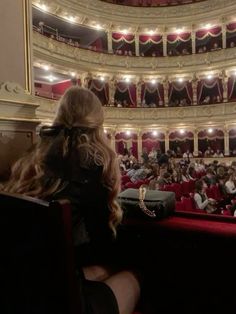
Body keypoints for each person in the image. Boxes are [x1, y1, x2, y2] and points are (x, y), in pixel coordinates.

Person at [2, 87, 140, 314]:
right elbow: (102, 242)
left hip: (23, 284)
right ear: (97, 123)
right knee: (135, 274)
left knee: (105, 268)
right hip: (59, 297)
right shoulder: (93, 162)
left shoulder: (34, 155)